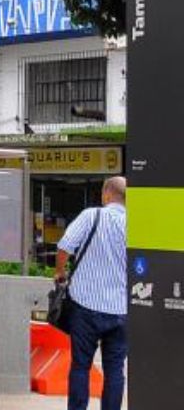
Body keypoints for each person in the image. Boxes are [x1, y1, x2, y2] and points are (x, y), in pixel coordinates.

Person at [55, 175, 127, 410]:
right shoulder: (136, 223)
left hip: (85, 305)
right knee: (115, 369)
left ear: (106, 194)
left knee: (80, 366)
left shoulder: (91, 215)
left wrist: (61, 273)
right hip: (121, 309)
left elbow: (65, 246)